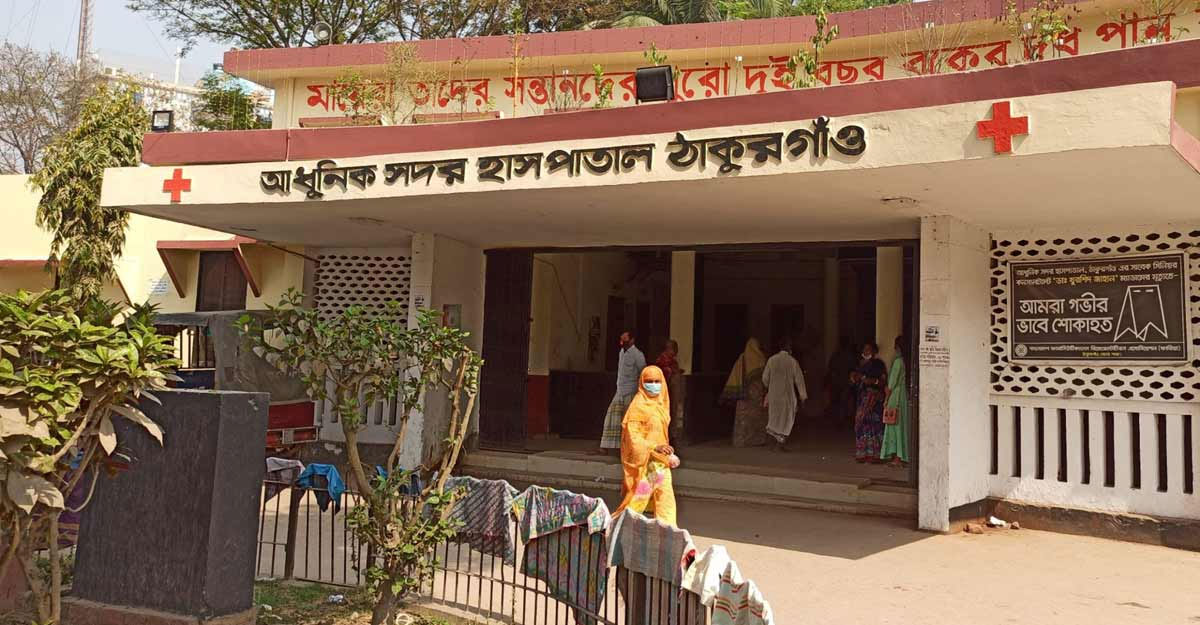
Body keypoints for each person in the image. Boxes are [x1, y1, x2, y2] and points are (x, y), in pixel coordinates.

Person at [612, 365, 680, 526]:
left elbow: (660, 433)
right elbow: (633, 437)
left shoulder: (662, 405)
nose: (654, 385)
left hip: (660, 461)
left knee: (665, 496)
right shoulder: (637, 407)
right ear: (642, 383)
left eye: (657, 381)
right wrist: (654, 447)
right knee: (639, 499)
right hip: (646, 463)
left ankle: (668, 530)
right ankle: (618, 525)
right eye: (649, 381)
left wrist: (667, 452)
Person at [598, 331, 645, 455]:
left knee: (629, 421)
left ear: (632, 340)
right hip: (620, 391)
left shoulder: (638, 355)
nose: (623, 341)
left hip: (631, 391)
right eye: (621, 339)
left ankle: (629, 447)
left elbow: (643, 372)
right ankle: (606, 446)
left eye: (625, 339)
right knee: (611, 418)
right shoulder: (621, 353)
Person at [761, 338, 808, 452]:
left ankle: (776, 444)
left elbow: (765, 378)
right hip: (788, 397)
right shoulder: (792, 361)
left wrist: (771, 387)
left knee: (774, 419)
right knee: (786, 420)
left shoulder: (771, 360)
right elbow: (799, 380)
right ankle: (779, 445)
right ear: (789, 348)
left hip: (774, 396)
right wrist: (803, 396)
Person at [721, 338, 769, 447]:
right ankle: (758, 440)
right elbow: (767, 377)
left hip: (744, 394)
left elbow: (735, 374)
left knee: (744, 417)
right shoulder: (761, 358)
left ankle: (741, 441)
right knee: (758, 416)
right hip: (758, 394)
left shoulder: (742, 359)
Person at [850, 341, 888, 463]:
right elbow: (853, 381)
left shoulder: (879, 364)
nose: (866, 352)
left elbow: (883, 381)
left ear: (874, 351)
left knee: (875, 426)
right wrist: (854, 377)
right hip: (863, 399)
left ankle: (875, 455)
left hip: (875, 400)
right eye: (864, 349)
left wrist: (873, 381)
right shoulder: (860, 365)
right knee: (861, 424)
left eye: (868, 349)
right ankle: (862, 454)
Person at [880, 336, 911, 467]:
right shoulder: (906, 361)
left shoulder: (898, 362)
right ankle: (902, 456)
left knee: (894, 426)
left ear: (897, 346)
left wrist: (886, 400)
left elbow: (891, 384)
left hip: (895, 397)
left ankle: (897, 458)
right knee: (902, 426)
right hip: (903, 396)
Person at [655, 339, 686, 446]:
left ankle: (672, 437)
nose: (673, 352)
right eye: (672, 349)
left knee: (673, 413)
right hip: (664, 393)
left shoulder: (673, 362)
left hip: (672, 394)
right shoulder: (661, 361)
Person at [826, 336, 858, 427]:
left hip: (839, 383)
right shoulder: (849, 356)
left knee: (838, 402)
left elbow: (831, 368)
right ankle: (840, 421)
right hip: (843, 383)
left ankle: (838, 421)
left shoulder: (836, 355)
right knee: (842, 403)